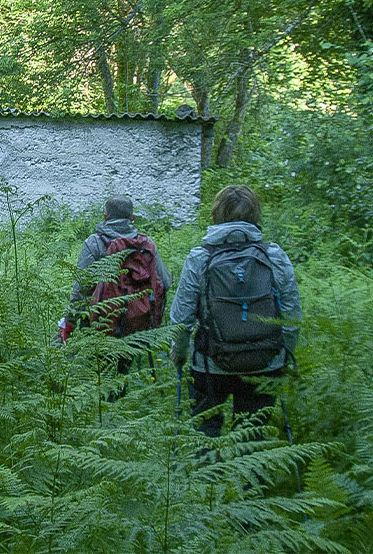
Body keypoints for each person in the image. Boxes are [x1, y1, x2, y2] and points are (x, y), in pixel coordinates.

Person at [169, 185, 301, 437]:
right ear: (256, 215)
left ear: (216, 214)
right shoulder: (275, 256)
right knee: (253, 438)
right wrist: (284, 356)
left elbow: (181, 320)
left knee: (205, 434)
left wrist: (180, 353)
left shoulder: (200, 258)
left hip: (210, 365)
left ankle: (207, 474)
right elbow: (291, 317)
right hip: (264, 364)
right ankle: (251, 476)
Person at [58, 196, 172, 347]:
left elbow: (81, 290)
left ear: (105, 217)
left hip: (100, 326)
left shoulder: (94, 243)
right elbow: (165, 282)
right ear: (132, 218)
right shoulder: (147, 245)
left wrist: (70, 322)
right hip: (138, 327)